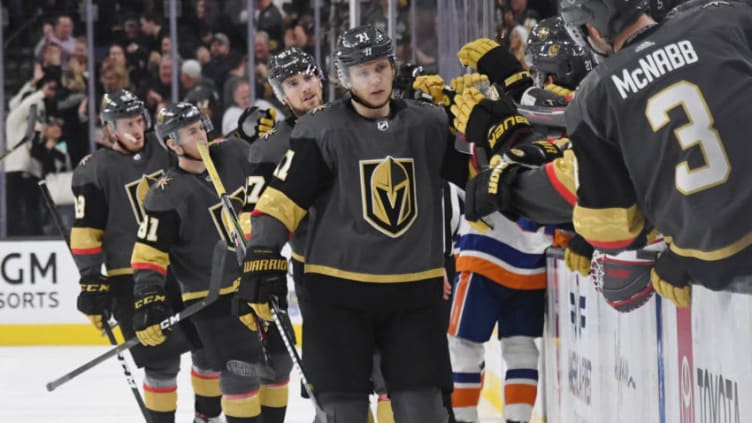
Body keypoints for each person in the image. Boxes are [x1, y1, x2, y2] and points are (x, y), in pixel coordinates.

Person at [239, 25, 472, 422]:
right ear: (343, 78)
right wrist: (262, 253)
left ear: (394, 67)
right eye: (363, 72)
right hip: (337, 298)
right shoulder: (319, 129)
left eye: (381, 67)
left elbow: (480, 180)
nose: (375, 80)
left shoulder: (429, 123)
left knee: (425, 411)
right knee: (343, 413)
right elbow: (281, 202)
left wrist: (489, 122)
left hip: (414, 296)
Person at [131, 102, 291, 423]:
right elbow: (149, 253)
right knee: (242, 370)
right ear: (172, 144)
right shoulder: (164, 194)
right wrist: (148, 297)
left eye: (201, 127)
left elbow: (266, 153)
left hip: (256, 279)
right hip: (211, 299)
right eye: (190, 133)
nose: (201, 135)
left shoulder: (232, 153)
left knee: (280, 362)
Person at [70, 90, 222, 423]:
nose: (137, 129)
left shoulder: (166, 146)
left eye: (140, 121)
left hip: (182, 270)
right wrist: (92, 280)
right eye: (128, 123)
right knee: (161, 362)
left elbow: (206, 158)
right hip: (131, 279)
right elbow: (86, 232)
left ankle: (207, 418)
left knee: (209, 353)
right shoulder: (94, 170)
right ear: (109, 128)